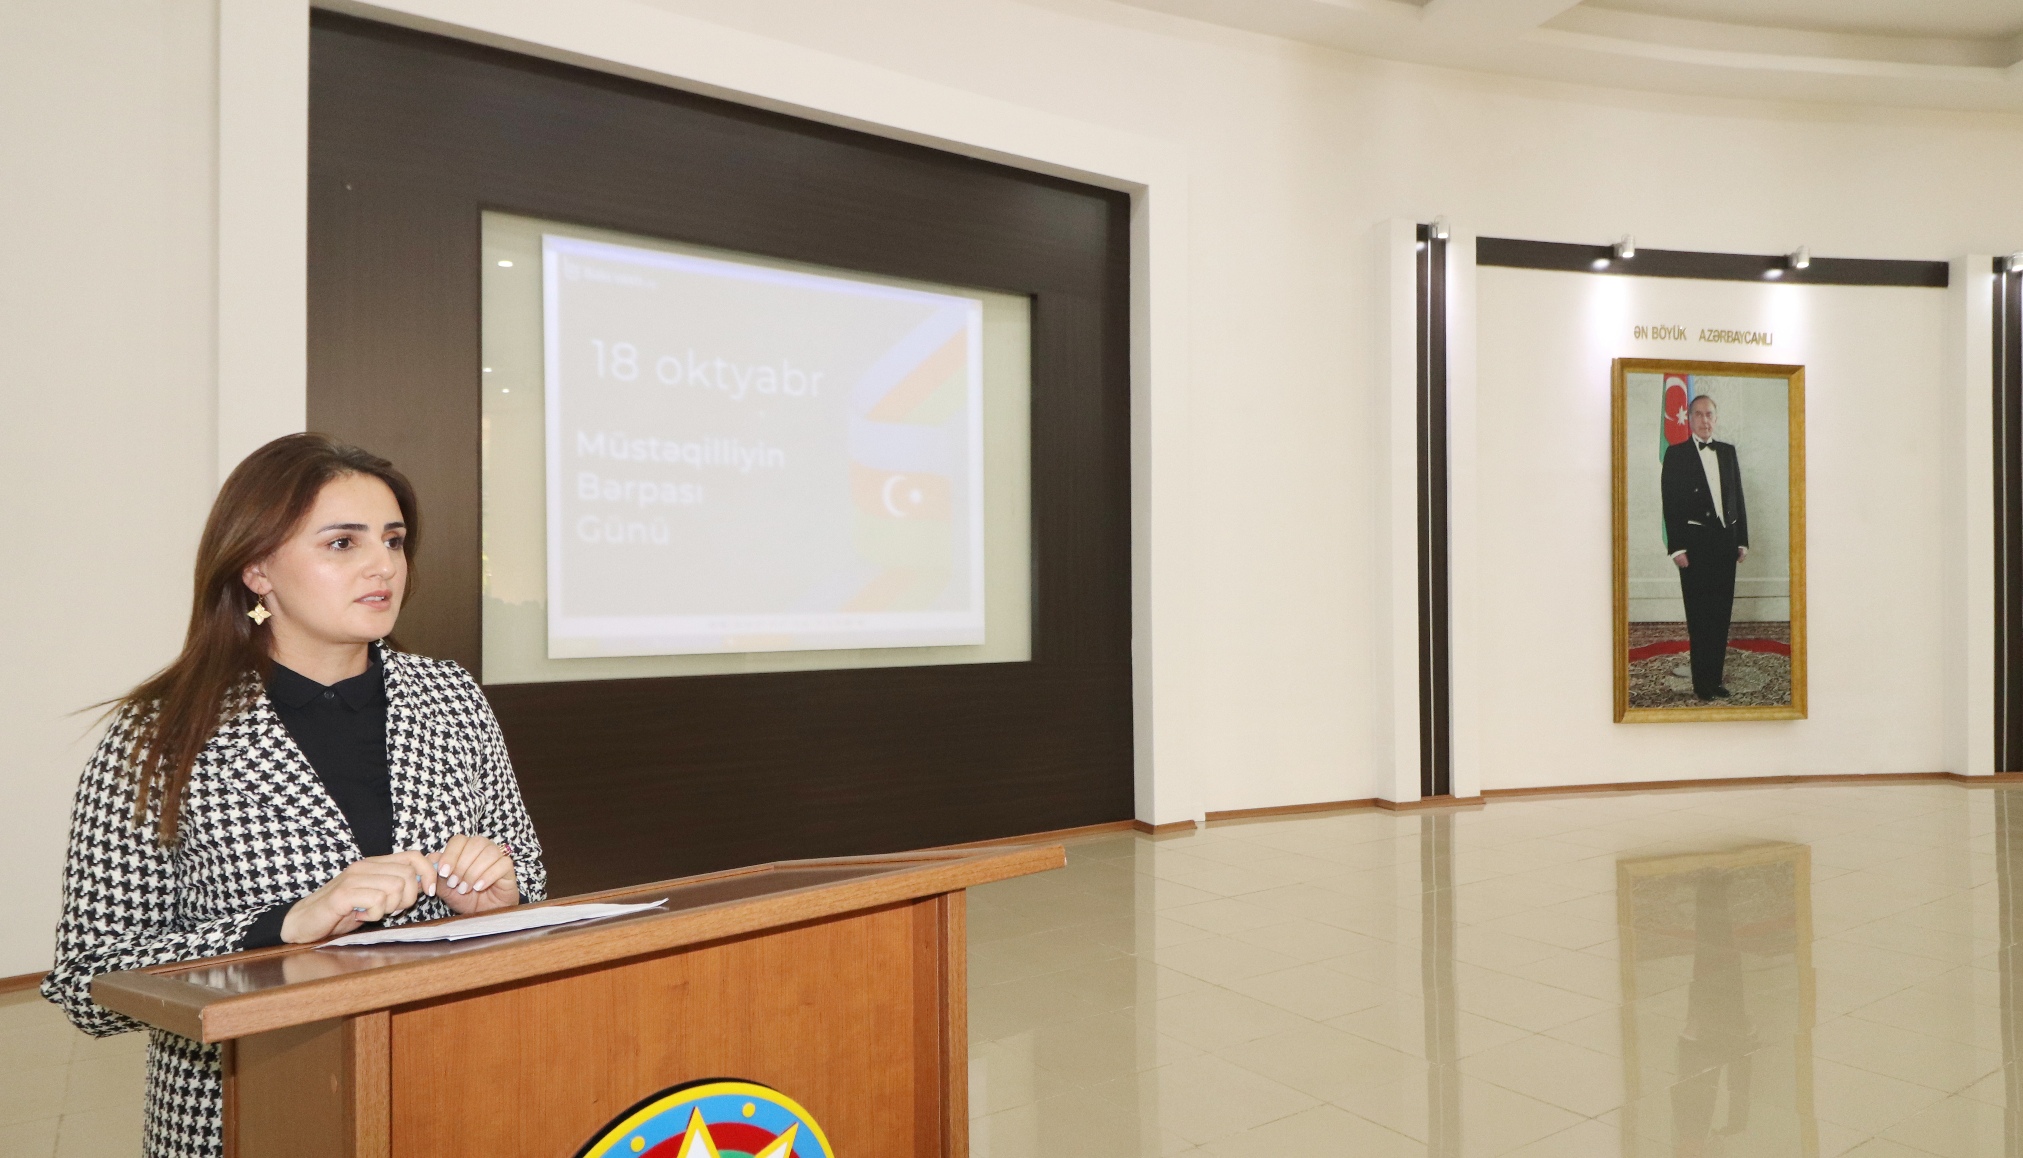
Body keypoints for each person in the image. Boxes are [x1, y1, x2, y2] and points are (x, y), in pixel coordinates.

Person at [40, 433, 546, 1158]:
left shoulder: (450, 695)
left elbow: (526, 874)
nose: (383, 565)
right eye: (342, 543)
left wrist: (503, 902)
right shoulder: (162, 734)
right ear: (256, 569)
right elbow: (89, 984)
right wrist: (285, 926)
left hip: (448, 1083)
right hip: (246, 1110)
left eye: (393, 540)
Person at [1661, 395, 1749, 701]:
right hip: (1695, 548)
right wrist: (1676, 548)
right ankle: (1701, 683)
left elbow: (1737, 498)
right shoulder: (1676, 454)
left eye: (1709, 414)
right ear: (1689, 419)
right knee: (1699, 617)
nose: (1704, 420)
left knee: (1720, 616)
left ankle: (1715, 679)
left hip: (1725, 545)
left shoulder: (1727, 452)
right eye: (1698, 414)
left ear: (1716, 418)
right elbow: (1670, 503)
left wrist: (1742, 539)